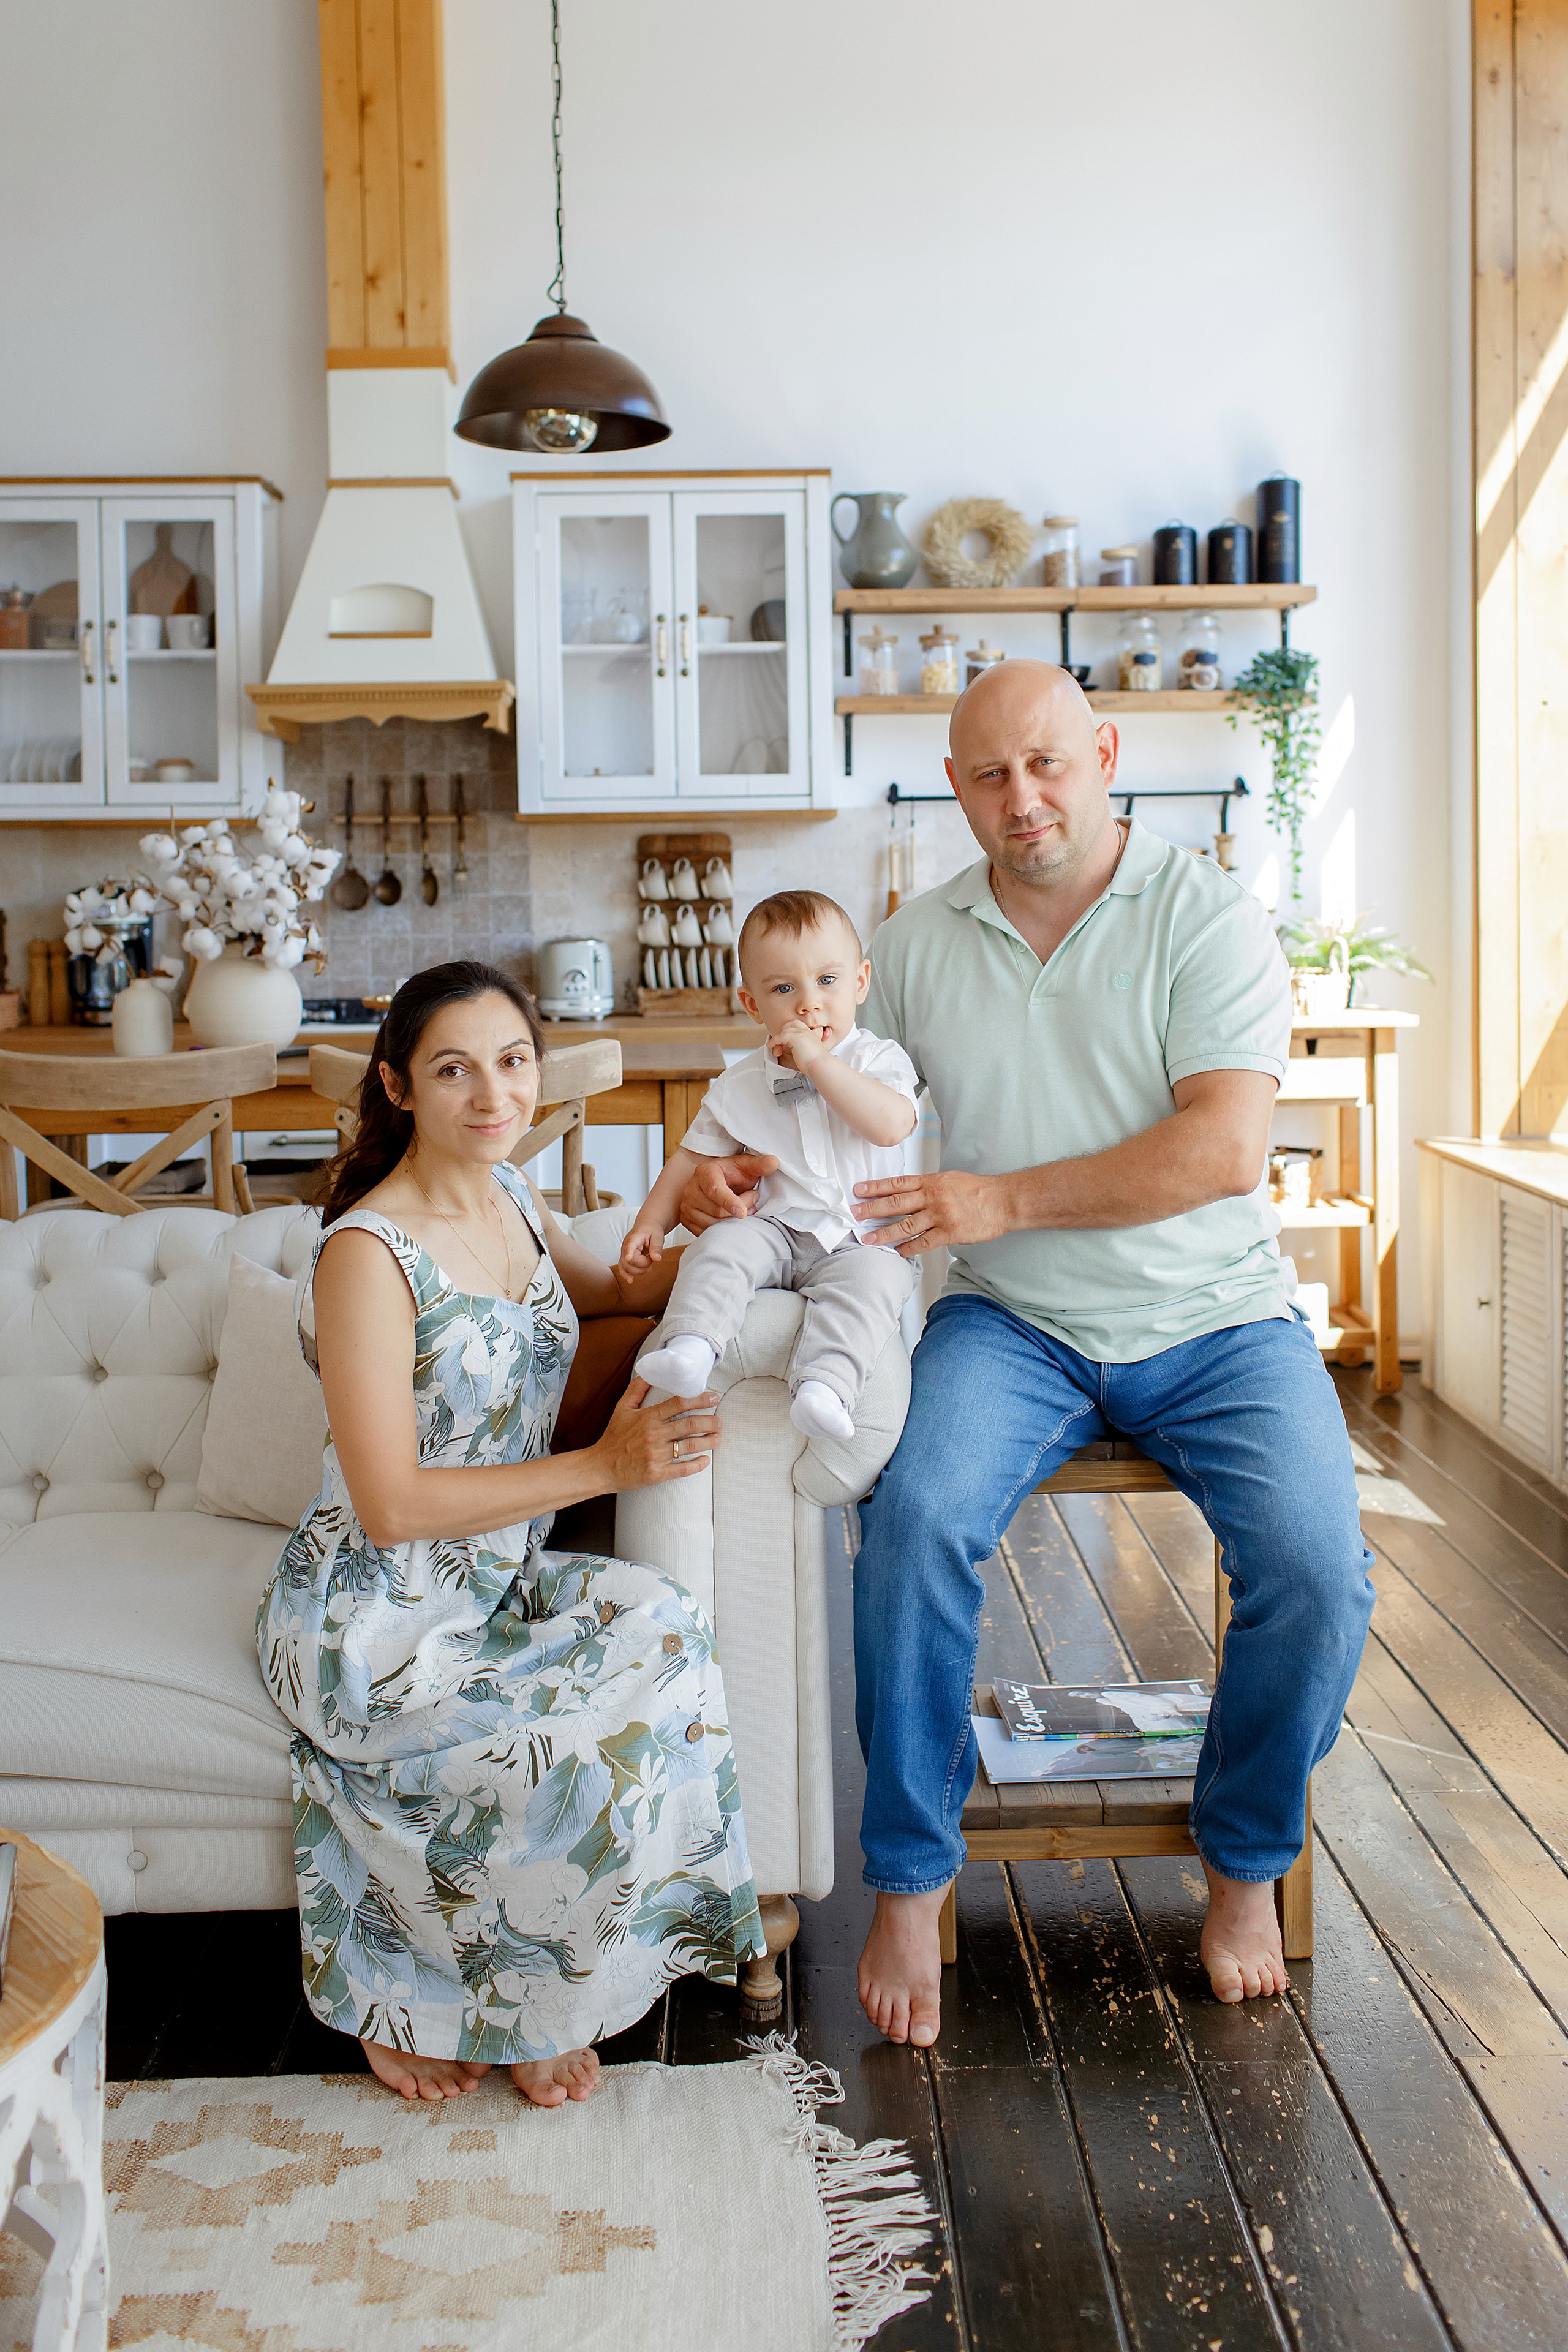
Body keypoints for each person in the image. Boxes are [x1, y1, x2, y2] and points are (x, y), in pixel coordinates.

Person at [677, 662, 1376, 2045]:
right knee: (914, 1518)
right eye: (989, 774)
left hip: (1217, 1316)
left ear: (1103, 751)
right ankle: (907, 1878)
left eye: (1048, 762)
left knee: (1313, 1565)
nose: (1023, 797)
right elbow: (825, 1098)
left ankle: (1242, 1858)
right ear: (954, 787)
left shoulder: (1203, 914)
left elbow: (1223, 1149)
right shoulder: (911, 942)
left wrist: (997, 1195)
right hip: (1012, 1322)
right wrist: (722, 1177)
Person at [256, 960, 764, 2107]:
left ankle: (554, 1996)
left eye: (513, 1062)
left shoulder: (513, 1198)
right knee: (569, 1736)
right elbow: (388, 1505)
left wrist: (751, 1228)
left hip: (487, 1585)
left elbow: (626, 1291)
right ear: (398, 1087)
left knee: (669, 1629)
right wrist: (602, 1467)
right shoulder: (366, 1256)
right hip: (370, 1621)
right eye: (453, 1069)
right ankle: (416, 1994)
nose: (493, 1095)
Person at [623, 890, 919, 1444]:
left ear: (860, 982)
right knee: (719, 1248)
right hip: (774, 1229)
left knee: (878, 1283)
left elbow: (889, 1125)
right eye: (785, 989)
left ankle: (825, 1388)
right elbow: (692, 1158)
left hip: (860, 1239)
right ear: (753, 1005)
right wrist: (649, 1223)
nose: (809, 1005)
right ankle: (691, 1347)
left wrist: (819, 1063)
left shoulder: (878, 1060)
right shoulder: (739, 1082)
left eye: (827, 982)